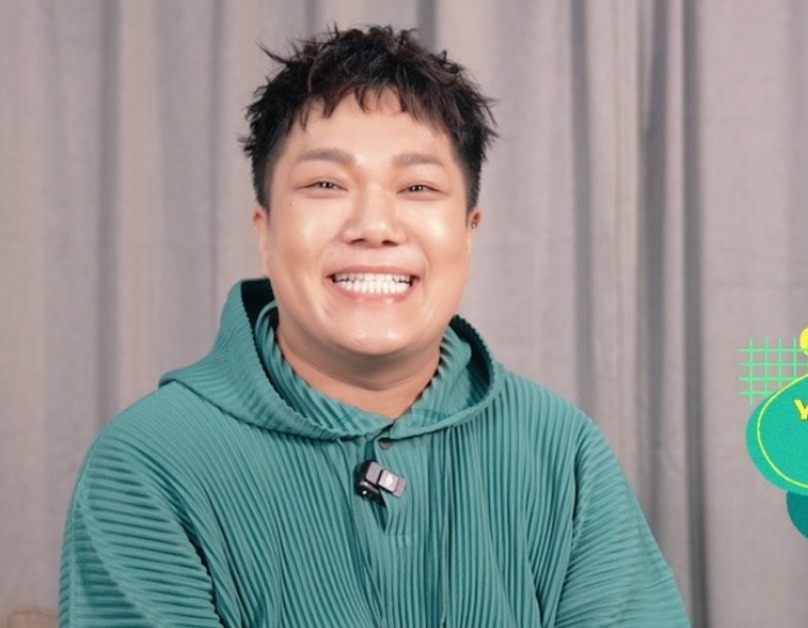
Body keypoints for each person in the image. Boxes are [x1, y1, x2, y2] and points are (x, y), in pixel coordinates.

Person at [58, 26, 689, 627]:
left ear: (469, 233)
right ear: (265, 233)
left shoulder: (562, 452)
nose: (374, 226)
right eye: (326, 183)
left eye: (417, 187)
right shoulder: (149, 465)